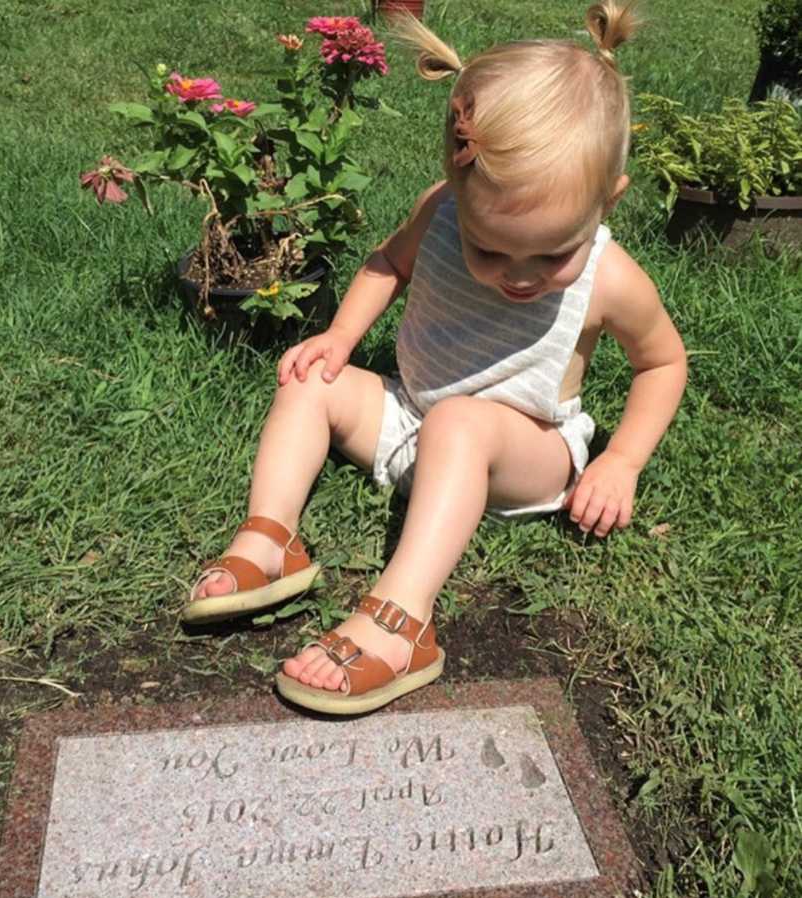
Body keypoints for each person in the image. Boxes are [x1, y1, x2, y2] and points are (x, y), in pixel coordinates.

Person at [182, 1, 687, 715]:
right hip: (413, 414)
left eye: (551, 255)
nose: (519, 275)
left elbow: (662, 364)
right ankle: (270, 538)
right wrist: (339, 342)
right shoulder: (441, 212)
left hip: (526, 451)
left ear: (609, 202)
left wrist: (621, 460)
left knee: (461, 421)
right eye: (490, 249)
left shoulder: (613, 278)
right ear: (455, 186)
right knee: (310, 384)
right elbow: (388, 262)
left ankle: (404, 617)